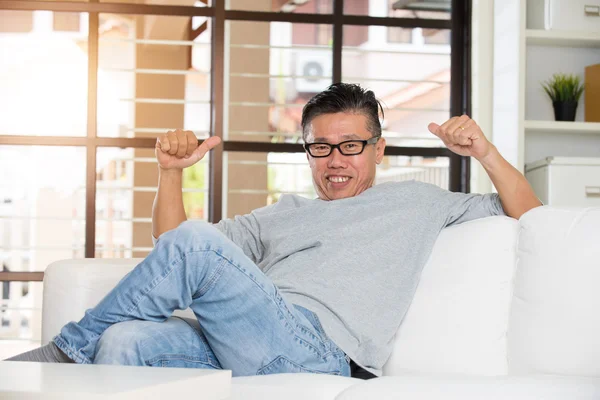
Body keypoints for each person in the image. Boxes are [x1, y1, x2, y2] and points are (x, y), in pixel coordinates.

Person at [6, 83, 541, 379]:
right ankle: (83, 352)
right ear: (307, 150)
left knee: (199, 244)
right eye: (321, 147)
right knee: (124, 342)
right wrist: (170, 173)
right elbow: (172, 248)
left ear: (378, 148)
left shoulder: (419, 201)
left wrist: (485, 153)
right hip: (240, 340)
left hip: (320, 355)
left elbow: (529, 214)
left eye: (352, 145)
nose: (336, 160)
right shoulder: (280, 214)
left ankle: (61, 353)